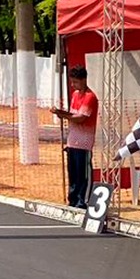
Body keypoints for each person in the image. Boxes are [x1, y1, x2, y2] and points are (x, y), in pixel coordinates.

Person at [51, 65, 98, 209]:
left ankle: (83, 200)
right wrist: (62, 113)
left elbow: (80, 118)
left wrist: (62, 114)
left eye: (76, 82)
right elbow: (72, 114)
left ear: (83, 80)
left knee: (83, 173)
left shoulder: (90, 97)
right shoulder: (75, 95)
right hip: (72, 140)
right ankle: (73, 198)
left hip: (84, 142)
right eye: (72, 82)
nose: (73, 85)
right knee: (73, 173)